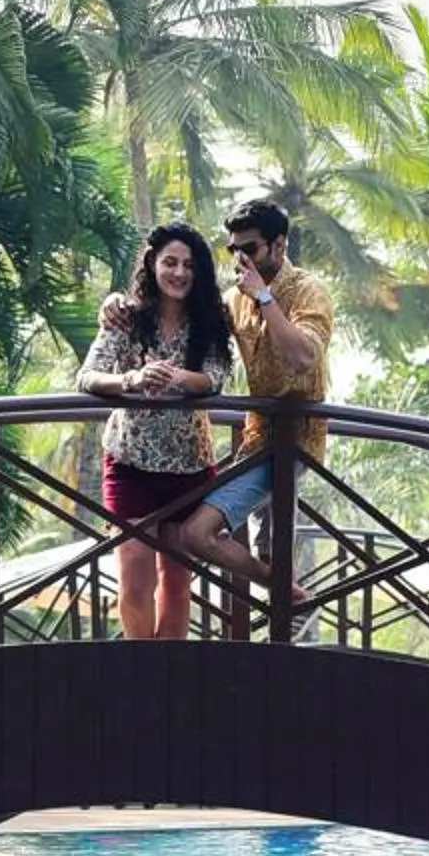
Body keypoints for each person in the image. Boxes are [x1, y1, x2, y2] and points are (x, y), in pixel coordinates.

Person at [77, 223, 236, 639]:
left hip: (190, 464)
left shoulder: (211, 321)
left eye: (189, 264)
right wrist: (131, 380)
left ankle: (171, 683)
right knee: (134, 577)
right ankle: (141, 675)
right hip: (131, 461)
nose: (179, 272)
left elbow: (215, 377)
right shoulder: (126, 316)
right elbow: (89, 376)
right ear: (153, 264)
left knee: (179, 583)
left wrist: (175, 378)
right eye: (170, 262)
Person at [175, 198, 334, 587]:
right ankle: (282, 590)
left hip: (296, 440)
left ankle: (283, 595)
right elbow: (185, 319)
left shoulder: (309, 291)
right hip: (256, 438)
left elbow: (302, 356)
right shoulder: (235, 299)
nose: (239, 259)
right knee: (263, 546)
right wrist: (119, 306)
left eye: (249, 249)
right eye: (234, 249)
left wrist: (265, 297)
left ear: (278, 246)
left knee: (201, 533)